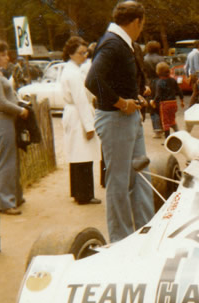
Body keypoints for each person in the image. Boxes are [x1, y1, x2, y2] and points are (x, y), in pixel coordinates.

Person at [85, 0, 154, 243]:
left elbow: (116, 80)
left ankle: (146, 231)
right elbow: (92, 81)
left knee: (141, 176)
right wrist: (121, 103)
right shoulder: (113, 43)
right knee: (120, 182)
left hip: (129, 118)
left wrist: (132, 96)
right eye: (142, 24)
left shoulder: (123, 43)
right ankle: (121, 240)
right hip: (115, 120)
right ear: (137, 21)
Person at [61, 36, 101, 206]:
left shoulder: (69, 69)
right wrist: (89, 125)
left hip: (72, 113)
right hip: (78, 114)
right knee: (84, 155)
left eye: (85, 53)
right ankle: (85, 195)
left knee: (76, 154)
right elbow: (81, 100)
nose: (84, 56)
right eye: (80, 53)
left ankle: (77, 191)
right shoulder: (74, 73)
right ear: (71, 53)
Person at [0, 40, 28, 215]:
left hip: (7, 121)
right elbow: (1, 103)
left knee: (11, 160)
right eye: (2, 54)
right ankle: (6, 201)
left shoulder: (1, 75)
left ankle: (14, 196)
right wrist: (20, 110)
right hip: (3, 121)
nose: (6, 58)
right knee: (6, 161)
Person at [150, 62, 184, 138]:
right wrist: (181, 100)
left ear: (158, 72)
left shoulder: (159, 82)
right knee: (172, 120)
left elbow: (158, 95)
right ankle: (179, 135)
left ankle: (167, 139)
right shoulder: (173, 80)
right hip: (173, 103)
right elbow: (179, 91)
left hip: (164, 104)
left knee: (165, 122)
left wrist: (153, 101)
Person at [143, 40, 164, 137]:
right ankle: (164, 126)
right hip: (161, 81)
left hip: (150, 83)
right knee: (161, 104)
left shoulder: (145, 59)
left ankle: (157, 129)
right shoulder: (161, 58)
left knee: (152, 105)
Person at [185, 40, 199, 107]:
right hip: (196, 75)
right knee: (196, 92)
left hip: (191, 75)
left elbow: (186, 67)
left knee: (195, 92)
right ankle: (191, 106)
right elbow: (197, 66)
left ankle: (196, 106)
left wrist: (187, 75)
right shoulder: (196, 54)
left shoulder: (190, 54)